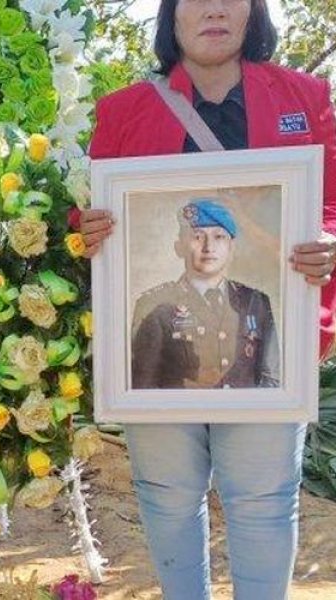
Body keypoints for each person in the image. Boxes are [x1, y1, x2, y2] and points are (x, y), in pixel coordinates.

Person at [78, 0, 336, 598]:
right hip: (157, 355)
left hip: (268, 343)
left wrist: (327, 237)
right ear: (170, 15)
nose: (214, 8)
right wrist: (86, 226)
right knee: (168, 499)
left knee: (264, 502)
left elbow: (330, 200)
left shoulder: (305, 97)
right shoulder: (123, 111)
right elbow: (91, 210)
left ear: (255, 11)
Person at [131, 197, 280, 389]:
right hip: (179, 417)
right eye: (197, 237)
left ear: (231, 248)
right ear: (179, 247)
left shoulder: (255, 301)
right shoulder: (153, 303)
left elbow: (272, 379)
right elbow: (142, 385)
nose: (209, 247)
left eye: (219, 237)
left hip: (244, 417)